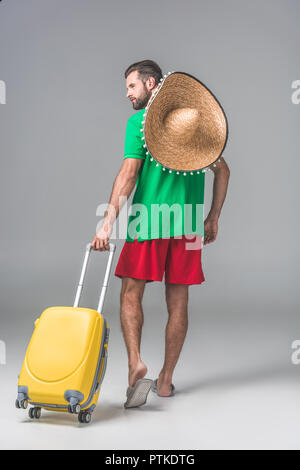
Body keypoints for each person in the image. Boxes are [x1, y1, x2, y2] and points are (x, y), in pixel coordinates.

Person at [91, 60, 230, 405]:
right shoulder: (194, 126)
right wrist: (212, 218)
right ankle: (166, 381)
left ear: (151, 84)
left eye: (131, 86)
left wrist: (107, 222)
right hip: (188, 226)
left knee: (129, 296)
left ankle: (136, 364)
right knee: (178, 303)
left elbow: (128, 175)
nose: (128, 94)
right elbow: (224, 170)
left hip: (147, 221)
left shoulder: (140, 123)